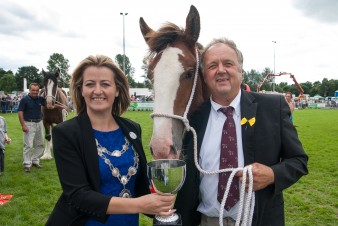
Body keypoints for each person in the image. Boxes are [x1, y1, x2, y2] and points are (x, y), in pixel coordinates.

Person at [174, 38, 308, 226]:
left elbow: (299, 161)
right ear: (204, 76)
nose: (221, 70)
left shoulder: (272, 108)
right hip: (206, 220)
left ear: (240, 72)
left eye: (228, 63)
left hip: (257, 219)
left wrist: (272, 174)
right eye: (212, 66)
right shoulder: (191, 118)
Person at [46, 55, 175, 226]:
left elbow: (139, 184)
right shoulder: (65, 132)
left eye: (105, 84)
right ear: (81, 90)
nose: (97, 90)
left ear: (117, 90)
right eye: (90, 84)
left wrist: (160, 196)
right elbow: (78, 195)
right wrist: (139, 204)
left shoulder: (132, 128)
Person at [18, 83, 46, 173]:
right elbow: (20, 112)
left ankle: (35, 161)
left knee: (40, 144)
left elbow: (50, 105)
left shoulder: (40, 99)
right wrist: (23, 125)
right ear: (29, 90)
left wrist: (62, 106)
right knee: (28, 145)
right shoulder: (24, 100)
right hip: (28, 123)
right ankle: (27, 164)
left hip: (39, 123)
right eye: (33, 90)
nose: (35, 92)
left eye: (37, 90)